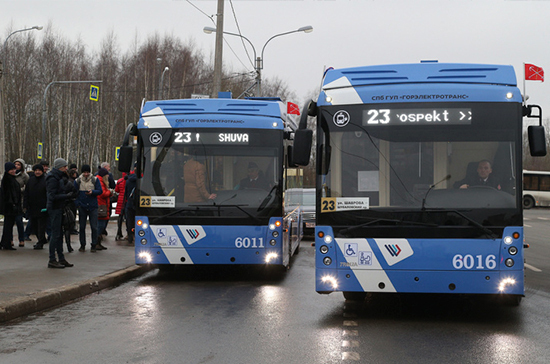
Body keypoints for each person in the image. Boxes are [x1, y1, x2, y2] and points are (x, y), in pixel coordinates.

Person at [46, 158, 76, 268]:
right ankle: (52, 259)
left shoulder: (58, 177)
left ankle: (61, 258)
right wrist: (66, 196)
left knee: (59, 234)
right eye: (64, 167)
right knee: (55, 235)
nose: (66, 168)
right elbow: (52, 196)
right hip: (54, 209)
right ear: (59, 167)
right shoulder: (52, 178)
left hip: (59, 207)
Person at [74, 164, 102, 252]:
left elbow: (100, 191)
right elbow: (75, 194)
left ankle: (94, 244)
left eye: (87, 172)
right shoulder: (78, 181)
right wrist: (77, 203)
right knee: (82, 227)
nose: (86, 174)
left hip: (93, 206)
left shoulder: (94, 180)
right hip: (82, 206)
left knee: (94, 227)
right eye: (84, 172)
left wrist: (93, 192)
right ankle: (82, 244)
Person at [24, 164, 49, 250]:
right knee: (34, 226)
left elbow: (48, 194)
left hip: (42, 207)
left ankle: (40, 242)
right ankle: (41, 239)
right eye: (36, 170)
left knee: (41, 226)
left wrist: (47, 205)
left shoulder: (45, 180)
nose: (37, 172)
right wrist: (25, 204)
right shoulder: (31, 180)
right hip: (32, 207)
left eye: (39, 170)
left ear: (42, 171)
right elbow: (26, 193)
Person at [0, 162, 22, 250]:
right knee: (8, 225)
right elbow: (9, 194)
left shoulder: (11, 178)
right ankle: (6, 243)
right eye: (12, 169)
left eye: (14, 169)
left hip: (12, 205)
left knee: (9, 225)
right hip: (10, 206)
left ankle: (5, 242)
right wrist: (13, 203)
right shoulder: (7, 179)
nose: (14, 171)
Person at [62, 170, 78, 252]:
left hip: (61, 207)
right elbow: (75, 194)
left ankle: (59, 246)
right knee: (67, 228)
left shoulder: (57, 183)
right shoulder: (70, 183)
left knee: (59, 229)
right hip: (69, 207)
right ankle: (68, 245)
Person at [14, 158, 29, 247]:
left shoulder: (24, 176)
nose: (16, 166)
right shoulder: (10, 174)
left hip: (20, 200)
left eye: (18, 164)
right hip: (11, 201)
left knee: (19, 221)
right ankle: (10, 240)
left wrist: (19, 190)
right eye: (15, 164)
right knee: (10, 222)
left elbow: (28, 187)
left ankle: (21, 239)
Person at [96, 167, 112, 250]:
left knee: (101, 225)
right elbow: (103, 194)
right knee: (100, 225)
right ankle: (96, 243)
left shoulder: (100, 181)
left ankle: (98, 242)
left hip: (102, 205)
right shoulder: (101, 182)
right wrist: (110, 192)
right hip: (101, 206)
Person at [124, 166, 137, 246]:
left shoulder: (128, 180)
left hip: (129, 203)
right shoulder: (141, 180)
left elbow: (126, 192)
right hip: (138, 204)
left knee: (129, 220)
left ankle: (129, 236)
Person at [114, 172, 127, 241]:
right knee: (128, 218)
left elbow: (116, 190)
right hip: (126, 200)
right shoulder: (129, 180)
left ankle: (119, 232)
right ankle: (129, 233)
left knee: (120, 217)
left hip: (120, 200)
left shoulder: (119, 181)